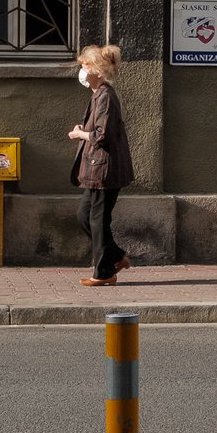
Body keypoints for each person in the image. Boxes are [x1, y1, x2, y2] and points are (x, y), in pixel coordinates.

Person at [68, 43, 134, 286]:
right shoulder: (98, 96)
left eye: (85, 65)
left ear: (96, 69)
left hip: (103, 169)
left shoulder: (105, 96)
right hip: (96, 168)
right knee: (86, 216)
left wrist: (80, 135)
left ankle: (104, 271)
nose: (82, 70)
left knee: (97, 219)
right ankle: (116, 256)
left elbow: (102, 135)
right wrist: (83, 129)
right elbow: (98, 129)